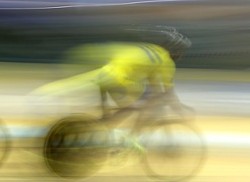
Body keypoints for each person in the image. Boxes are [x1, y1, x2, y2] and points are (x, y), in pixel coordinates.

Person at [31, 26, 192, 129]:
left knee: (133, 104)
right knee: (142, 104)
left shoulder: (152, 50)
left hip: (104, 74)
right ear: (176, 52)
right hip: (118, 79)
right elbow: (167, 94)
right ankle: (130, 141)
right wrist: (181, 112)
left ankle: (101, 129)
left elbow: (152, 84)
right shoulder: (166, 62)